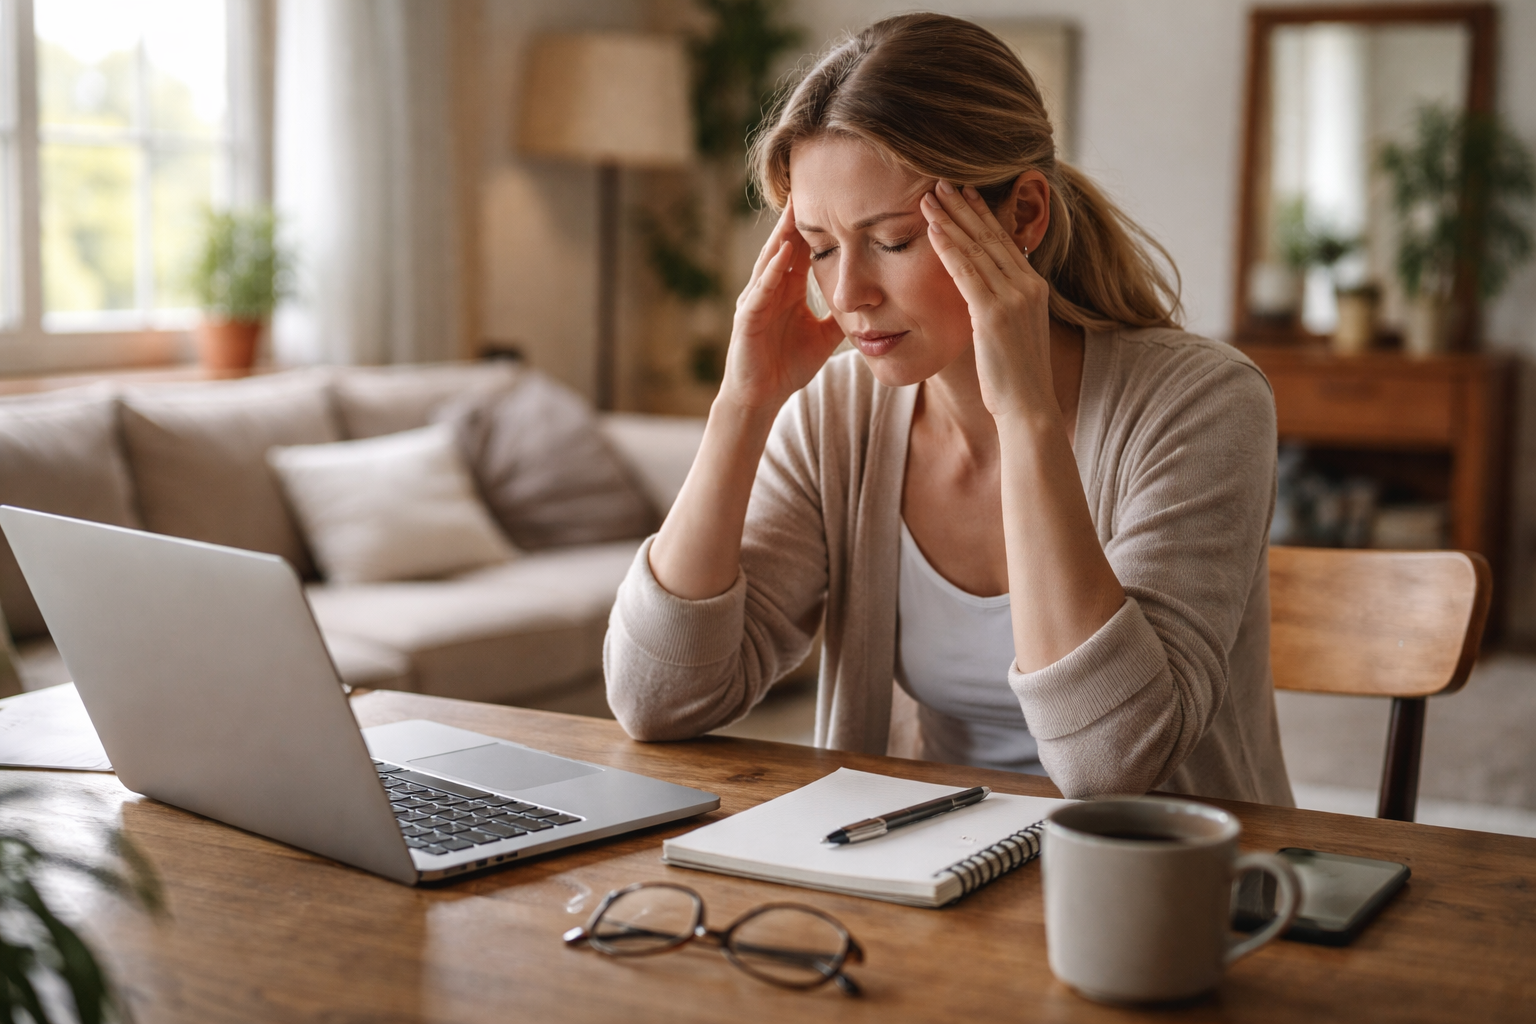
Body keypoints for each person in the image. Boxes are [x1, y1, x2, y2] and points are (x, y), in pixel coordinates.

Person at [603, 12, 1292, 804]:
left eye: (893, 241)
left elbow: (1113, 765)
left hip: (1158, 900)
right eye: (822, 247)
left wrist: (1027, 416)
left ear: (1023, 215)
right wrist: (743, 403)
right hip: (918, 881)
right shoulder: (839, 415)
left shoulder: (1202, 405)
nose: (849, 293)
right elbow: (656, 699)